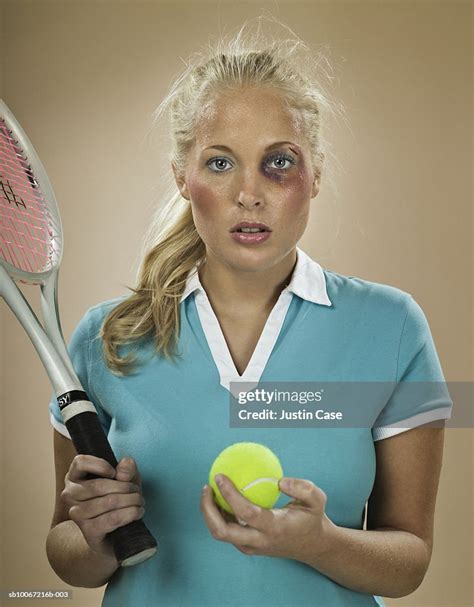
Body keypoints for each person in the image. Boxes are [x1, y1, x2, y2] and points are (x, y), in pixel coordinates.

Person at [45, 20, 453, 607]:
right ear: (182, 178)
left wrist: (321, 543)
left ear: (316, 175)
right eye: (219, 163)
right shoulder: (104, 338)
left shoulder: (392, 328)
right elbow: (68, 557)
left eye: (279, 162)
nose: (249, 193)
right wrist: (94, 536)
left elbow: (409, 559)